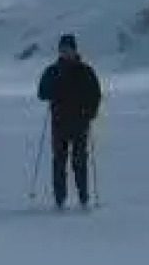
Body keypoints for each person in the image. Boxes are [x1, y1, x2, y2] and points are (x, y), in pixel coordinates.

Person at [37, 33, 101, 210]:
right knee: (59, 161)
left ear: (74, 50)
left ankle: (83, 197)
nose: (65, 52)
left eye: (68, 49)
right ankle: (59, 199)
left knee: (79, 161)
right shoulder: (52, 71)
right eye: (62, 49)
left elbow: (95, 95)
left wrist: (90, 113)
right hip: (59, 123)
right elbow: (41, 93)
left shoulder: (86, 71)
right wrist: (51, 90)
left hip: (80, 123)